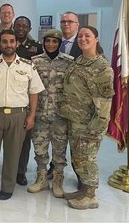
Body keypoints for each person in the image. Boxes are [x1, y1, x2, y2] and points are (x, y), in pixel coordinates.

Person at [0, 29, 44, 200]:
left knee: (13, 154)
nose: (8, 45)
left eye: (11, 41)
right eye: (4, 41)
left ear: (16, 43)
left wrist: (31, 116)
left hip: (18, 115)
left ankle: (8, 186)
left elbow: (34, 92)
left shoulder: (28, 66)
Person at [59, 26, 114, 209]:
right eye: (80, 36)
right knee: (78, 158)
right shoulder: (79, 61)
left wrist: (96, 128)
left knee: (87, 159)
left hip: (89, 124)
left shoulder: (102, 67)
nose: (83, 39)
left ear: (96, 39)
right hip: (75, 120)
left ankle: (91, 196)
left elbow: (105, 102)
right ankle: (84, 191)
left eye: (87, 36)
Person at [27, 29, 73, 198]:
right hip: (39, 114)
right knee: (40, 148)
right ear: (43, 43)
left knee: (60, 150)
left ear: (59, 43)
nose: (51, 44)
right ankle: (41, 178)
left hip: (60, 116)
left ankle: (58, 180)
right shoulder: (34, 62)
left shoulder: (69, 62)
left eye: (54, 41)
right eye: (48, 41)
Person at [47, 11, 83, 181]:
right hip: (56, 104)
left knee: (77, 145)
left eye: (70, 21)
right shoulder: (55, 42)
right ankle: (54, 169)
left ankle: (81, 178)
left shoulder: (83, 42)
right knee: (58, 140)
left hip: (77, 104)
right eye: (63, 21)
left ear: (77, 24)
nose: (66, 24)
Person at [13, 16, 43, 186]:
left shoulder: (36, 48)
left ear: (30, 29)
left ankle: (20, 171)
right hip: (8, 98)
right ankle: (9, 167)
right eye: (18, 25)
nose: (21, 28)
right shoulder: (6, 43)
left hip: (26, 99)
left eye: (25, 26)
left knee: (24, 140)